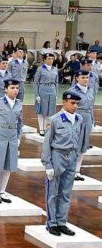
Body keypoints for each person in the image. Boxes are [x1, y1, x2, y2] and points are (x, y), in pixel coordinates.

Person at [42, 91, 84, 236]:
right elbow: (47, 143)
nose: (75, 106)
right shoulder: (54, 120)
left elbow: (79, 139)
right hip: (57, 155)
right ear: (64, 102)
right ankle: (51, 223)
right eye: (72, 103)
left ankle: (61, 222)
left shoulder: (79, 119)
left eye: (77, 103)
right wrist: (47, 164)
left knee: (66, 192)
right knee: (53, 192)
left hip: (71, 156)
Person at [0, 79, 23, 203]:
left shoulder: (19, 104)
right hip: (0, 133)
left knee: (8, 164)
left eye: (17, 88)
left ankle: (2, 190)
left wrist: (18, 137)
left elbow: (20, 123)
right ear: (6, 89)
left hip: (12, 135)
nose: (15, 90)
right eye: (12, 88)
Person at [70, 69, 94, 181]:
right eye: (83, 77)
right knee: (75, 145)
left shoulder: (90, 90)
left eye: (87, 77)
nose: (85, 80)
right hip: (77, 118)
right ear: (77, 78)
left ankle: (77, 171)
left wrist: (92, 120)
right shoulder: (72, 91)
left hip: (87, 119)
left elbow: (91, 106)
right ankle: (71, 170)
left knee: (83, 146)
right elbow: (69, 108)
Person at [34, 53, 59, 135]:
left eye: (52, 58)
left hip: (52, 90)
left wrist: (56, 93)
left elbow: (56, 82)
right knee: (41, 111)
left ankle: (46, 128)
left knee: (49, 111)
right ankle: (41, 129)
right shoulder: (40, 69)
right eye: (48, 58)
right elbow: (36, 83)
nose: (51, 60)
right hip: (43, 90)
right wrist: (37, 94)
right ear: (44, 60)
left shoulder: (55, 69)